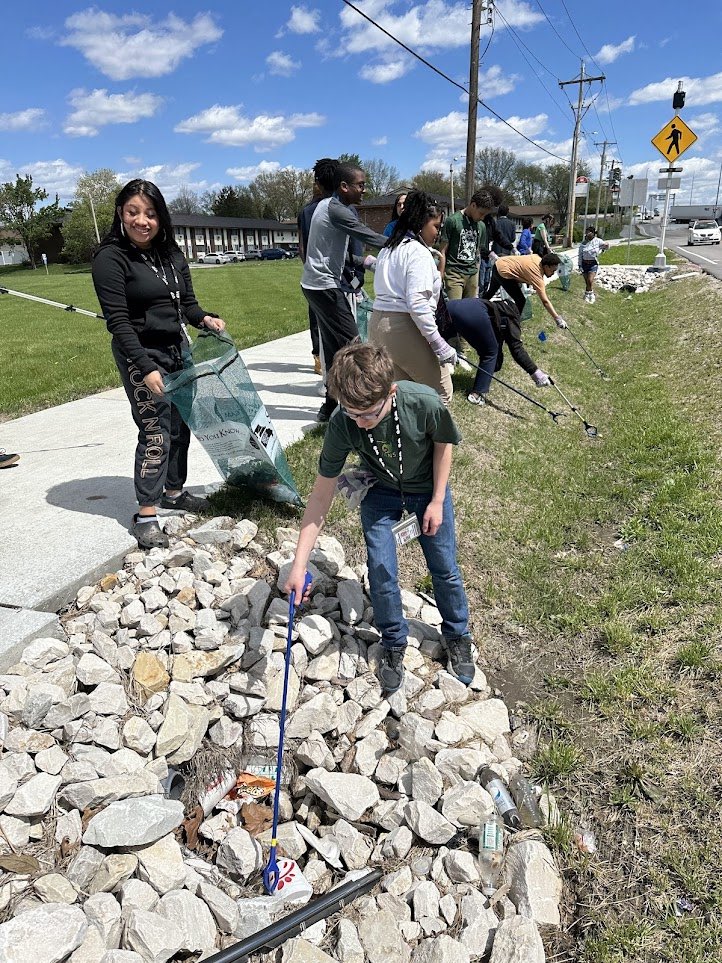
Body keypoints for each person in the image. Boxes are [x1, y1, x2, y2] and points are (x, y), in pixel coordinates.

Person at [284, 342, 475, 694]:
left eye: (370, 413)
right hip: (381, 490)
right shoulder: (344, 423)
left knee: (444, 566)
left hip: (427, 489)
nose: (362, 423)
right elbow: (321, 495)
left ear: (391, 391)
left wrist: (435, 500)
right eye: (353, 413)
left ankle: (458, 634)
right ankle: (393, 641)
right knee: (381, 568)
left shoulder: (424, 402)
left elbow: (443, 446)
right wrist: (299, 563)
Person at [92, 179, 226, 549]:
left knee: (180, 426)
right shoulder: (110, 258)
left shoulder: (171, 254)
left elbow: (188, 305)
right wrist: (145, 367)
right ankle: (146, 514)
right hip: (141, 355)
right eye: (133, 212)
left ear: (160, 217)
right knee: (156, 432)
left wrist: (205, 320)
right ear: (121, 213)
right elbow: (118, 323)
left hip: (177, 350)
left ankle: (173, 491)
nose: (142, 221)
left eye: (150, 213)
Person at [301, 163, 387, 423]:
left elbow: (333, 252)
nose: (364, 190)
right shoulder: (339, 211)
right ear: (344, 187)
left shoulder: (326, 206)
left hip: (314, 286)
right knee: (356, 350)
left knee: (334, 350)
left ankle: (330, 406)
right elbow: (369, 236)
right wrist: (408, 241)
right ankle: (363, 408)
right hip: (325, 288)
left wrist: (363, 263)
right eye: (360, 185)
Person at [369, 191, 457, 407]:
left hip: (378, 326)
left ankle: (407, 439)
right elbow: (417, 304)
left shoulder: (389, 248)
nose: (438, 233)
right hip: (403, 327)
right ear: (420, 223)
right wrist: (439, 344)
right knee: (441, 394)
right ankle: (436, 440)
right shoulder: (417, 252)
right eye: (436, 226)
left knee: (401, 394)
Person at [445, 298, 551, 407]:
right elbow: (516, 349)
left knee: (436, 345)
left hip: (449, 306)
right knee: (490, 353)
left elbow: (495, 338)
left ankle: (432, 375)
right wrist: (537, 374)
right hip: (470, 314)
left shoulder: (498, 307)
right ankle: (476, 395)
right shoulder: (511, 316)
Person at [298, 158, 338, 376]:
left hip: (325, 277)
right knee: (323, 322)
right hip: (325, 278)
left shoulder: (337, 208)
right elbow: (303, 243)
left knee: (327, 324)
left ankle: (326, 363)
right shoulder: (310, 211)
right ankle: (320, 360)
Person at [484, 252, 568, 328]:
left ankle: (476, 306)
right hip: (504, 272)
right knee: (520, 300)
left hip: (498, 264)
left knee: (491, 292)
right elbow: (545, 302)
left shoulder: (537, 258)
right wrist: (557, 318)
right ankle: (513, 325)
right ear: (546, 266)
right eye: (552, 271)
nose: (553, 274)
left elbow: (525, 268)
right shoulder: (536, 275)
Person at [578, 227, 609, 303]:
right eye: (586, 232)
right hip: (584, 263)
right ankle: (588, 293)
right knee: (587, 282)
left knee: (590, 280)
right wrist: (579, 265)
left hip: (593, 264)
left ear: (593, 233)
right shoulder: (583, 243)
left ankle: (591, 295)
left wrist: (606, 245)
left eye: (588, 232)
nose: (587, 234)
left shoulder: (598, 241)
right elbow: (580, 255)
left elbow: (606, 247)